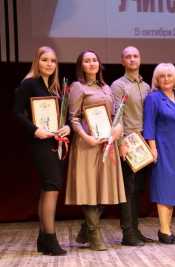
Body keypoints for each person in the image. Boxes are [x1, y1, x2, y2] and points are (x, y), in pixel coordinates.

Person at [65, 49, 126, 251]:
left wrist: (117, 131)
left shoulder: (107, 88)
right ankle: (94, 234)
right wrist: (87, 137)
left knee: (105, 190)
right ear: (81, 65)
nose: (91, 63)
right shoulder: (77, 87)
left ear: (99, 64)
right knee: (89, 189)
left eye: (94, 60)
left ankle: (86, 227)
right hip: (87, 145)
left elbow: (116, 115)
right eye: (87, 61)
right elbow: (73, 118)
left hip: (106, 145)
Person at [14, 46, 70, 255]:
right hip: (40, 143)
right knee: (52, 185)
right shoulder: (28, 84)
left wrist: (66, 127)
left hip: (55, 142)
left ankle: (43, 239)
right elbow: (17, 113)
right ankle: (50, 238)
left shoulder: (54, 88)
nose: (49, 64)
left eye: (53, 61)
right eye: (45, 60)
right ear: (37, 62)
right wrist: (35, 130)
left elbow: (59, 117)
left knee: (49, 187)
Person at [143, 63, 175, 244]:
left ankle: (167, 229)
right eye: (162, 76)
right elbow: (148, 125)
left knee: (173, 189)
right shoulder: (153, 98)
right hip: (162, 147)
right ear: (157, 80)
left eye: (169, 75)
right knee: (163, 187)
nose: (166, 79)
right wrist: (153, 148)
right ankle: (164, 232)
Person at [111, 46, 153, 246]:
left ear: (140, 59)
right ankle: (127, 232)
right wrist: (120, 144)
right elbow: (116, 117)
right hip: (129, 141)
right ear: (122, 61)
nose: (132, 59)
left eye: (135, 56)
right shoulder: (118, 86)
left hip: (144, 142)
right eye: (128, 56)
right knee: (128, 189)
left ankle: (136, 229)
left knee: (138, 190)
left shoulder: (146, 86)